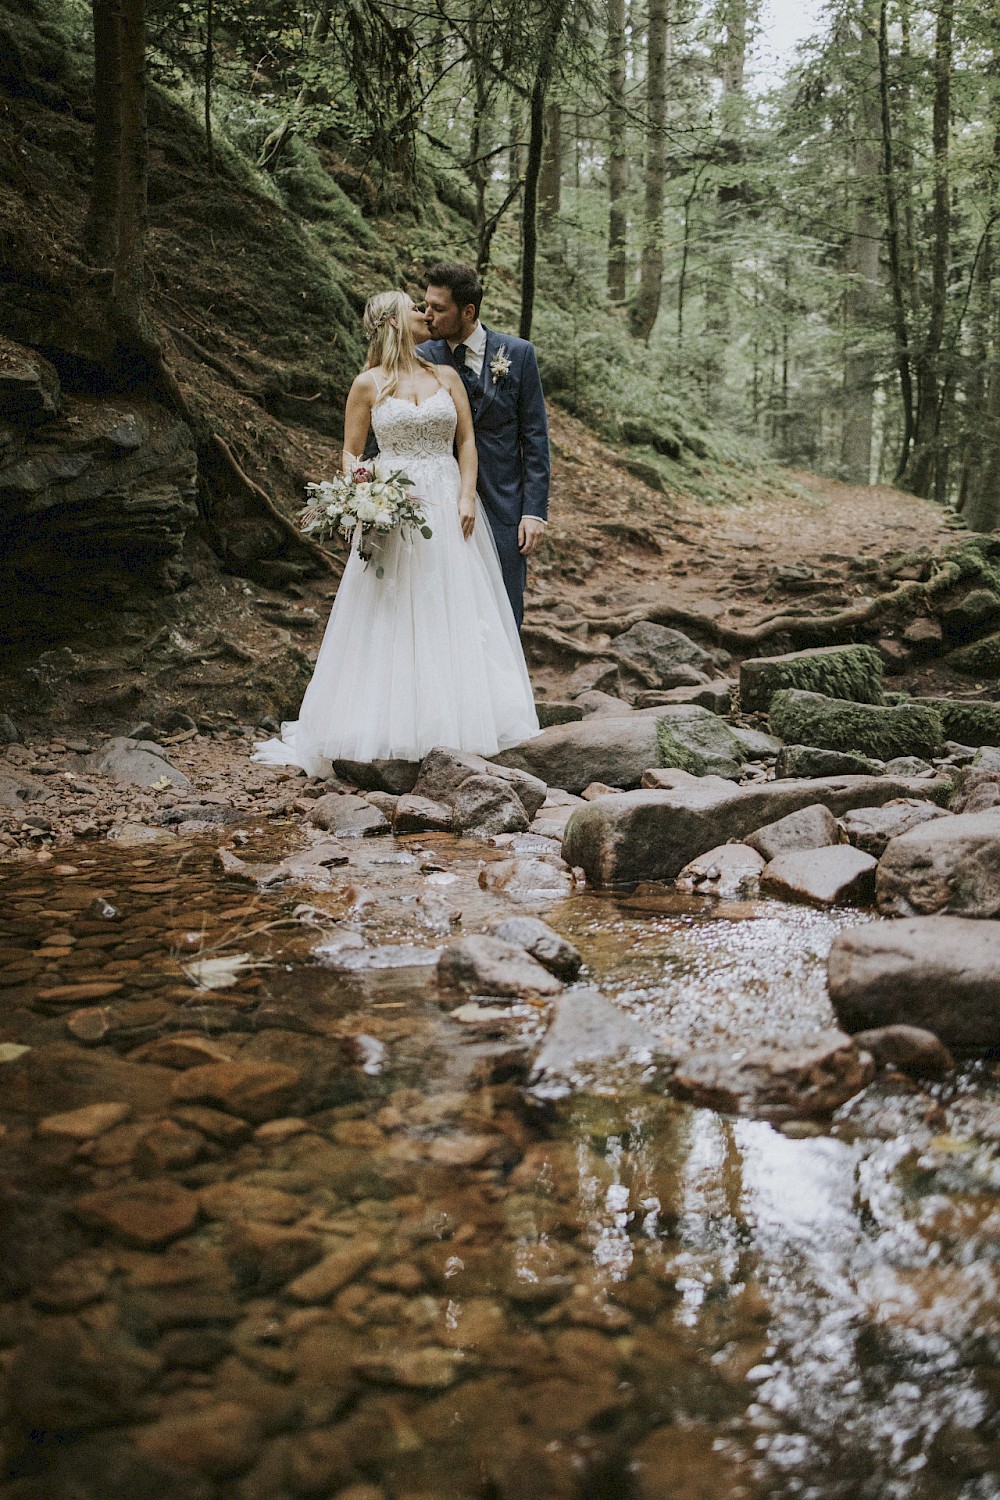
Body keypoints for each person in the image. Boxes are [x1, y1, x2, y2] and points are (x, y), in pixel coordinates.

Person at [253, 290, 539, 774]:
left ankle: (462, 724)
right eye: (416, 308)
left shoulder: (445, 376)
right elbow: (351, 452)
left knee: (453, 606)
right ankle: (390, 727)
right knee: (394, 610)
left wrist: (467, 495)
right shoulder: (367, 384)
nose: (426, 314)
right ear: (391, 321)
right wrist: (365, 497)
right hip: (396, 507)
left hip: (448, 503)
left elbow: (466, 439)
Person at [418, 262, 549, 630]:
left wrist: (534, 511)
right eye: (425, 305)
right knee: (447, 609)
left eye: (438, 308)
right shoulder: (423, 357)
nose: (427, 315)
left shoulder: (518, 354)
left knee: (505, 607)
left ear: (468, 311)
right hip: (441, 503)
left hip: (504, 505)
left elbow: (535, 436)